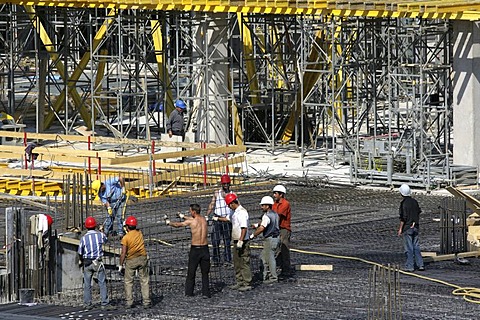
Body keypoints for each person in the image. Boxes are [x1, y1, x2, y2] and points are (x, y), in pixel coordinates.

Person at [166, 204, 211, 298]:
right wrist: (182, 216)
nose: (190, 213)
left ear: (193, 212)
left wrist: (169, 222)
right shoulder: (204, 220)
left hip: (195, 249)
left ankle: (189, 292)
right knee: (205, 273)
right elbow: (192, 218)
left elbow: (178, 225)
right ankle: (206, 293)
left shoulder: (192, 221)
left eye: (190, 211)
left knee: (191, 272)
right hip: (205, 248)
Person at [77, 217, 110, 310]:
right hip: (97, 262)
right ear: (95, 225)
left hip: (87, 262)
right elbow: (106, 240)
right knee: (102, 283)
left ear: (86, 226)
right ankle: (104, 303)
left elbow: (80, 252)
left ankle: (87, 304)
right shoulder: (100, 235)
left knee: (87, 284)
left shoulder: (83, 238)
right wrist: (102, 230)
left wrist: (81, 260)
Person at [119, 216, 151, 308]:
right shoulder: (139, 233)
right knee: (144, 280)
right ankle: (146, 301)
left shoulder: (125, 238)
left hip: (131, 260)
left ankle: (129, 302)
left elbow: (123, 253)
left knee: (128, 281)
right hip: (142, 258)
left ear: (127, 227)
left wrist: (120, 265)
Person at [225, 193, 252, 291]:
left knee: (244, 261)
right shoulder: (234, 212)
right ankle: (239, 281)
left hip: (243, 240)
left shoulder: (242, 212)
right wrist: (216, 218)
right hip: (236, 240)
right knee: (237, 262)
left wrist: (241, 240)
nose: (229, 207)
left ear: (232, 203)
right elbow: (228, 219)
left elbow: (244, 228)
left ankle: (247, 282)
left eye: (229, 205)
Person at [250, 196, 280, 284]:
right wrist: (257, 225)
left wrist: (253, 235)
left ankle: (273, 278)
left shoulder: (266, 216)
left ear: (267, 206)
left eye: (263, 205)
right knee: (264, 257)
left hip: (270, 240)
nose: (261, 207)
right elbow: (266, 223)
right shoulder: (275, 214)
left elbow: (262, 228)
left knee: (270, 259)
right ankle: (265, 275)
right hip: (276, 238)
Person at [206, 174, 234, 266]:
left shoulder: (232, 194)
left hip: (227, 220)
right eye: (224, 183)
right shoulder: (217, 193)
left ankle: (227, 260)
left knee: (227, 241)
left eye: (227, 183)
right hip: (217, 219)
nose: (226, 185)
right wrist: (207, 215)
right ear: (222, 184)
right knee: (215, 240)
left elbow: (237, 206)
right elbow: (212, 204)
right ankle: (216, 260)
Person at [397, 184, 425, 272]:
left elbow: (403, 217)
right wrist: (414, 222)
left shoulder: (403, 204)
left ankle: (410, 266)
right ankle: (420, 264)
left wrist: (400, 229)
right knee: (416, 246)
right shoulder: (414, 201)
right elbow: (418, 212)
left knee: (409, 248)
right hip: (415, 226)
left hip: (407, 228)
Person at [272, 184, 292, 277]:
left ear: (281, 194)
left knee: (284, 249)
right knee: (277, 249)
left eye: (276, 193)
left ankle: (286, 269)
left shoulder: (285, 204)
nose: (274, 195)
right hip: (277, 228)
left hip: (284, 229)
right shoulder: (274, 204)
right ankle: (279, 266)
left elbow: (278, 216)